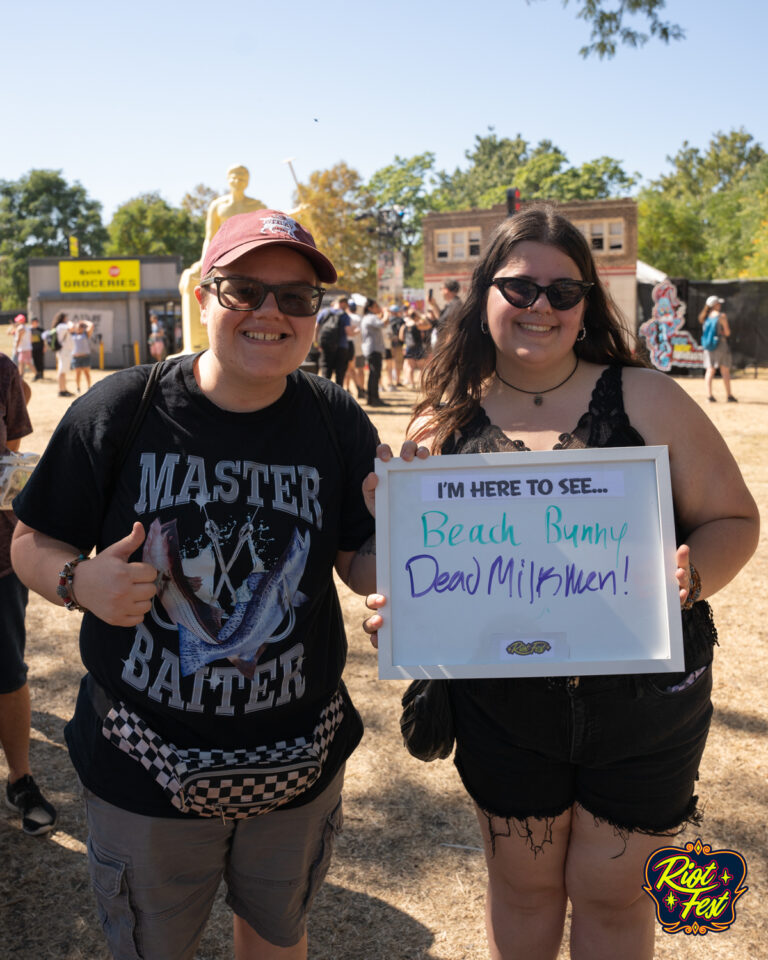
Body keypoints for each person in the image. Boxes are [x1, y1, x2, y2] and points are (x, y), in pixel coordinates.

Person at [362, 206, 759, 960]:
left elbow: (733, 519)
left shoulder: (648, 400)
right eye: (518, 288)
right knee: (523, 884)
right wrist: (403, 602)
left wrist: (695, 572)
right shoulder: (437, 427)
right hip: (504, 704)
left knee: (613, 896)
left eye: (563, 291)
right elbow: (424, 578)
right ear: (483, 297)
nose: (540, 305)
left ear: (586, 307)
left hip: (644, 701)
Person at [12, 209, 379, 960]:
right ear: (204, 295)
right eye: (245, 289)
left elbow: (356, 552)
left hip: (298, 763)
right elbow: (31, 540)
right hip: (143, 765)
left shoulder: (336, 418)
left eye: (298, 298)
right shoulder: (121, 409)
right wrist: (79, 582)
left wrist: (400, 589)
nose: (271, 313)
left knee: (277, 941)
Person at [0, 351, 58, 836]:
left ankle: (20, 779)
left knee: (7, 671)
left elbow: (8, 458)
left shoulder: (1, 370)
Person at [698, 295, 737, 403]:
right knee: (725, 370)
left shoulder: (704, 317)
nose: (720, 305)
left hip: (708, 346)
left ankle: (709, 396)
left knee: (710, 370)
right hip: (721, 345)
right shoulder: (721, 316)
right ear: (715, 305)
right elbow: (727, 332)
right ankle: (729, 396)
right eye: (718, 303)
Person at [315, 296, 351, 384]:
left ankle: (325, 395)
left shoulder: (324, 312)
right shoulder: (344, 315)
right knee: (340, 373)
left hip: (326, 345)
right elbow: (348, 331)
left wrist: (317, 342)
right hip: (341, 347)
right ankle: (338, 396)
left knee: (326, 371)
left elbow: (316, 327)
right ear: (344, 303)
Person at [360, 299, 389, 407]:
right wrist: (386, 313)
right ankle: (374, 399)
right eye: (376, 306)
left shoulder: (368, 318)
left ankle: (372, 398)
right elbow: (382, 323)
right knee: (375, 374)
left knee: (374, 374)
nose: (378, 308)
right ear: (370, 308)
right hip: (373, 350)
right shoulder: (371, 317)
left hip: (372, 349)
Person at [399, 308, 432, 390]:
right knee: (422, 367)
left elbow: (401, 337)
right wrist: (421, 315)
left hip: (409, 348)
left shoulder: (405, 325)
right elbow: (429, 325)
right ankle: (421, 384)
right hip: (418, 347)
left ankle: (412, 383)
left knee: (410, 367)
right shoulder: (417, 324)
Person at [426, 279, 462, 350]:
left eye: (441, 289)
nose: (441, 292)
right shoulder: (453, 304)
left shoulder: (455, 305)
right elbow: (441, 317)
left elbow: (444, 323)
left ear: (446, 290)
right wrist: (433, 304)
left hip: (451, 345)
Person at [50, 311, 75, 397]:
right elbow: (72, 327)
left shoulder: (60, 327)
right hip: (64, 352)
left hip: (64, 352)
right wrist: (69, 322)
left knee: (63, 371)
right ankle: (61, 390)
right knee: (62, 371)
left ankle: (63, 389)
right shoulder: (62, 326)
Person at [70, 319, 95, 393]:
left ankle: (89, 387)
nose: (78, 329)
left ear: (82, 328)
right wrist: (75, 324)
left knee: (86, 373)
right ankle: (78, 388)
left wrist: (84, 322)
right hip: (76, 358)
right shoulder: (72, 335)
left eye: (80, 327)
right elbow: (69, 325)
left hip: (85, 357)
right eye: (77, 327)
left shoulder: (86, 334)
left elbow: (91, 325)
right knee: (78, 374)